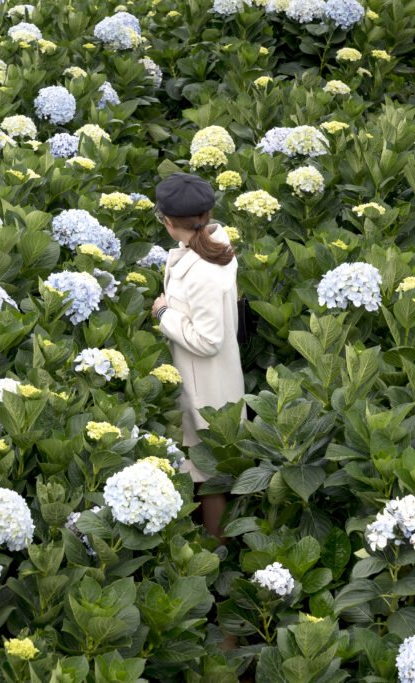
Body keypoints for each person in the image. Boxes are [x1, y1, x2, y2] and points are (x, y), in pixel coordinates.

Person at [150, 172, 245, 541]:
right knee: (202, 472)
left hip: (205, 387)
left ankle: (216, 558)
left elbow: (208, 340)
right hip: (205, 380)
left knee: (208, 478)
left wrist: (163, 314)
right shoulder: (212, 246)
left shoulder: (203, 269)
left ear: (170, 223)